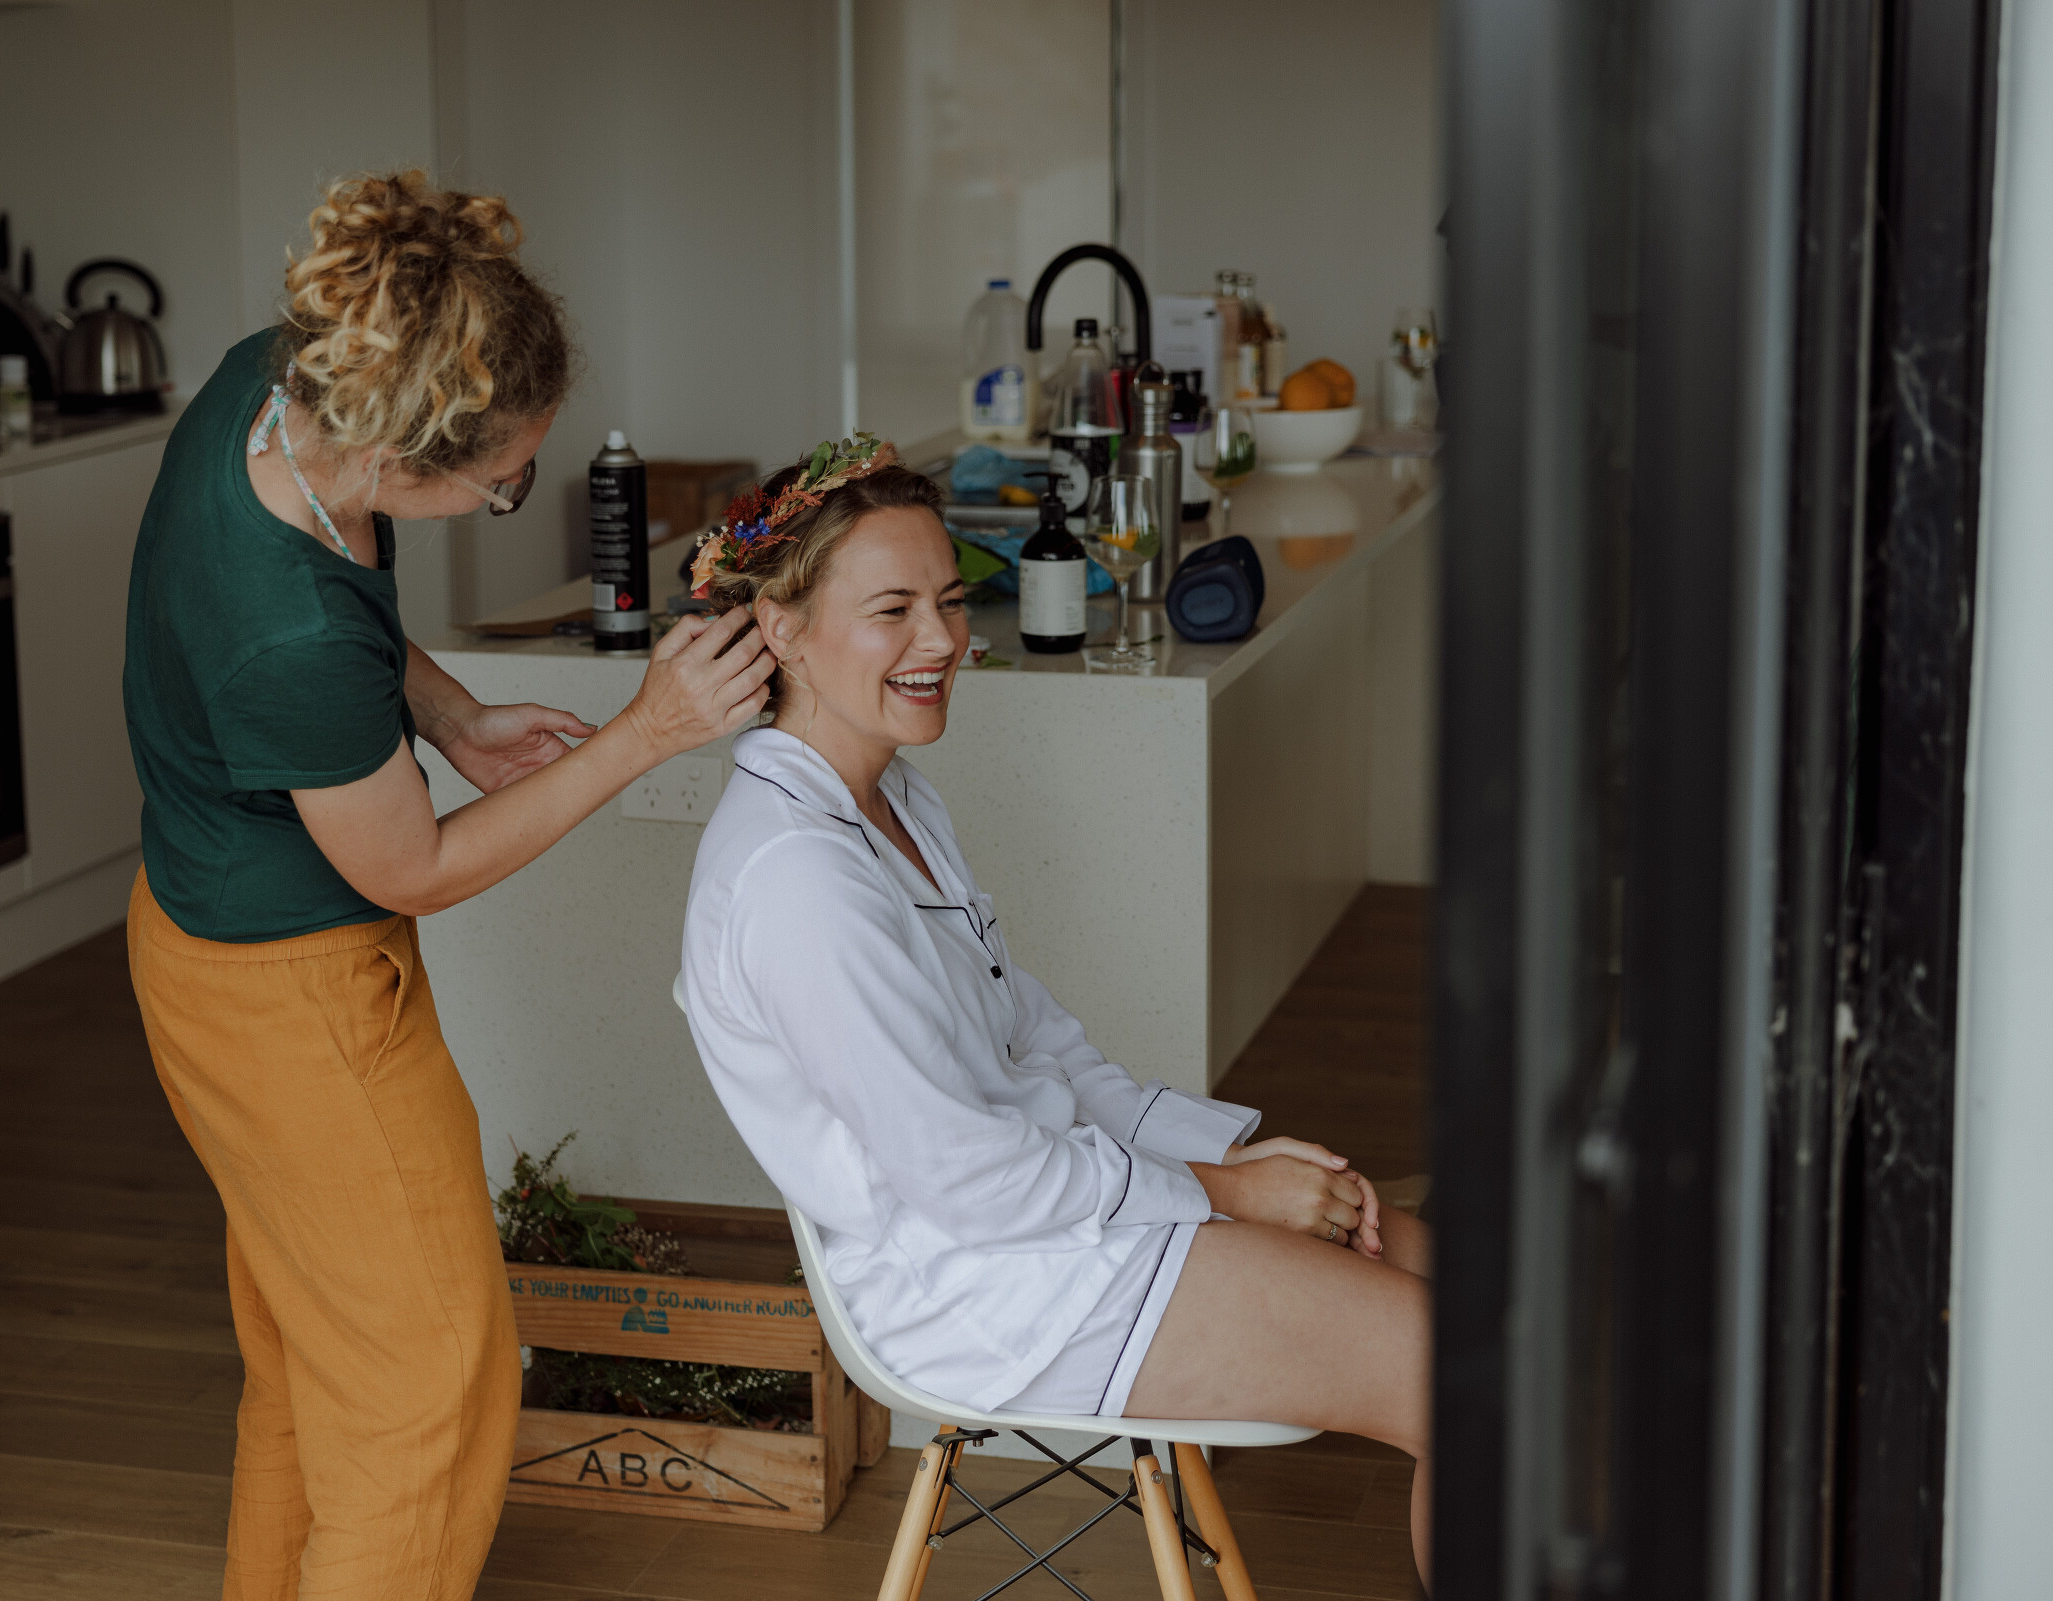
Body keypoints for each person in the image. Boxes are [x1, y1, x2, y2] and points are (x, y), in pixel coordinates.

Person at [122, 171, 773, 1600]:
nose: (507, 498)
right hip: (291, 1007)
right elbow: (410, 864)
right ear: (396, 446)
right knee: (425, 1391)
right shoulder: (281, 629)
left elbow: (347, 628)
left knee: (319, 1362)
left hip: (202, 942)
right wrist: (647, 734)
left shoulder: (279, 385)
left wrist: (455, 717)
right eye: (500, 482)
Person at [677, 440, 1434, 1584]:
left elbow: (1038, 1044)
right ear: (780, 628)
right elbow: (968, 1178)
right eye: (891, 609)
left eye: (948, 600)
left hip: (1059, 1214)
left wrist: (1232, 1154)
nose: (940, 639)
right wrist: (1228, 1195)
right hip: (992, 1285)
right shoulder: (797, 879)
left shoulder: (892, 799)